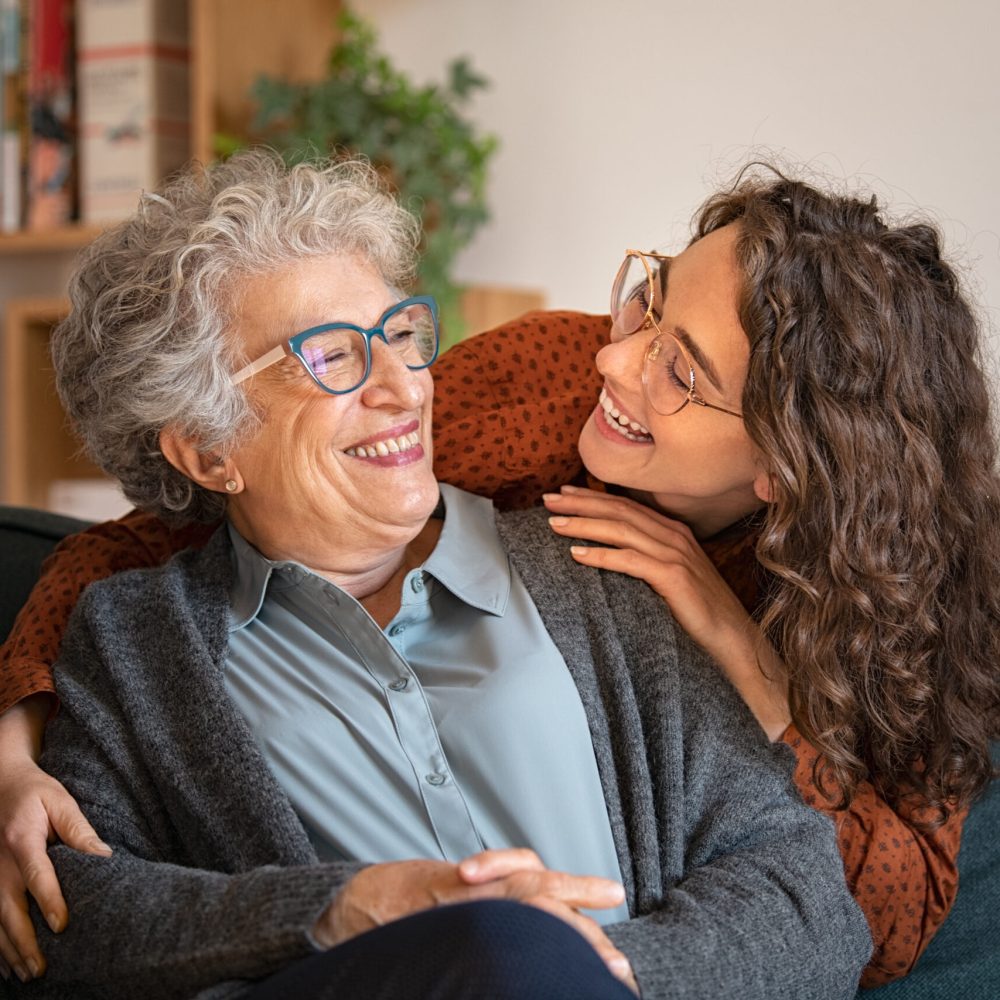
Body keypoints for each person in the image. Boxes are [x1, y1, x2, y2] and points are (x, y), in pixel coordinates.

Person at [0, 150, 869, 998]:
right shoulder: (139, 643)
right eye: (333, 356)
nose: (405, 387)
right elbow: (68, 923)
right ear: (209, 448)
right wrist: (344, 910)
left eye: (401, 335)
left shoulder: (602, 569)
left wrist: (602, 971)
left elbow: (808, 898)